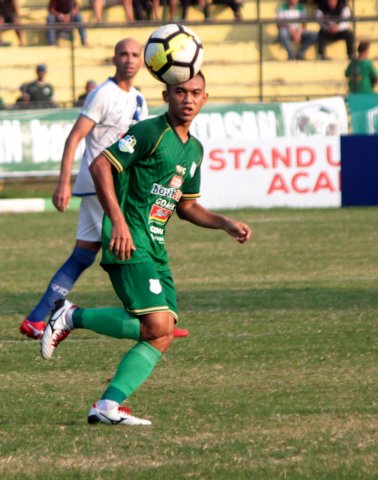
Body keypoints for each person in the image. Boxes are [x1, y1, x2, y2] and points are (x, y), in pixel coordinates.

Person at [40, 72, 252, 426]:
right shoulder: (150, 132)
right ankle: (70, 316)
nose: (188, 99)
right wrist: (118, 221)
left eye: (195, 93)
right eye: (181, 92)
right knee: (156, 324)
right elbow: (99, 165)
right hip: (129, 238)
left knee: (163, 332)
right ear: (166, 94)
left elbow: (185, 207)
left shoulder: (194, 149)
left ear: (205, 98)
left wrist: (224, 223)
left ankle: (108, 404)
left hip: (155, 246)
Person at [20, 38, 189, 340]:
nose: (129, 59)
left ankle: (35, 319)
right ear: (114, 58)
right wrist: (63, 183)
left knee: (83, 255)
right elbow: (75, 138)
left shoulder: (138, 98)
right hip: (103, 185)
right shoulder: (103, 94)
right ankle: (154, 317)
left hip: (115, 185)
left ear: (144, 61)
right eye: (123, 53)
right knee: (137, 242)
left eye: (135, 54)